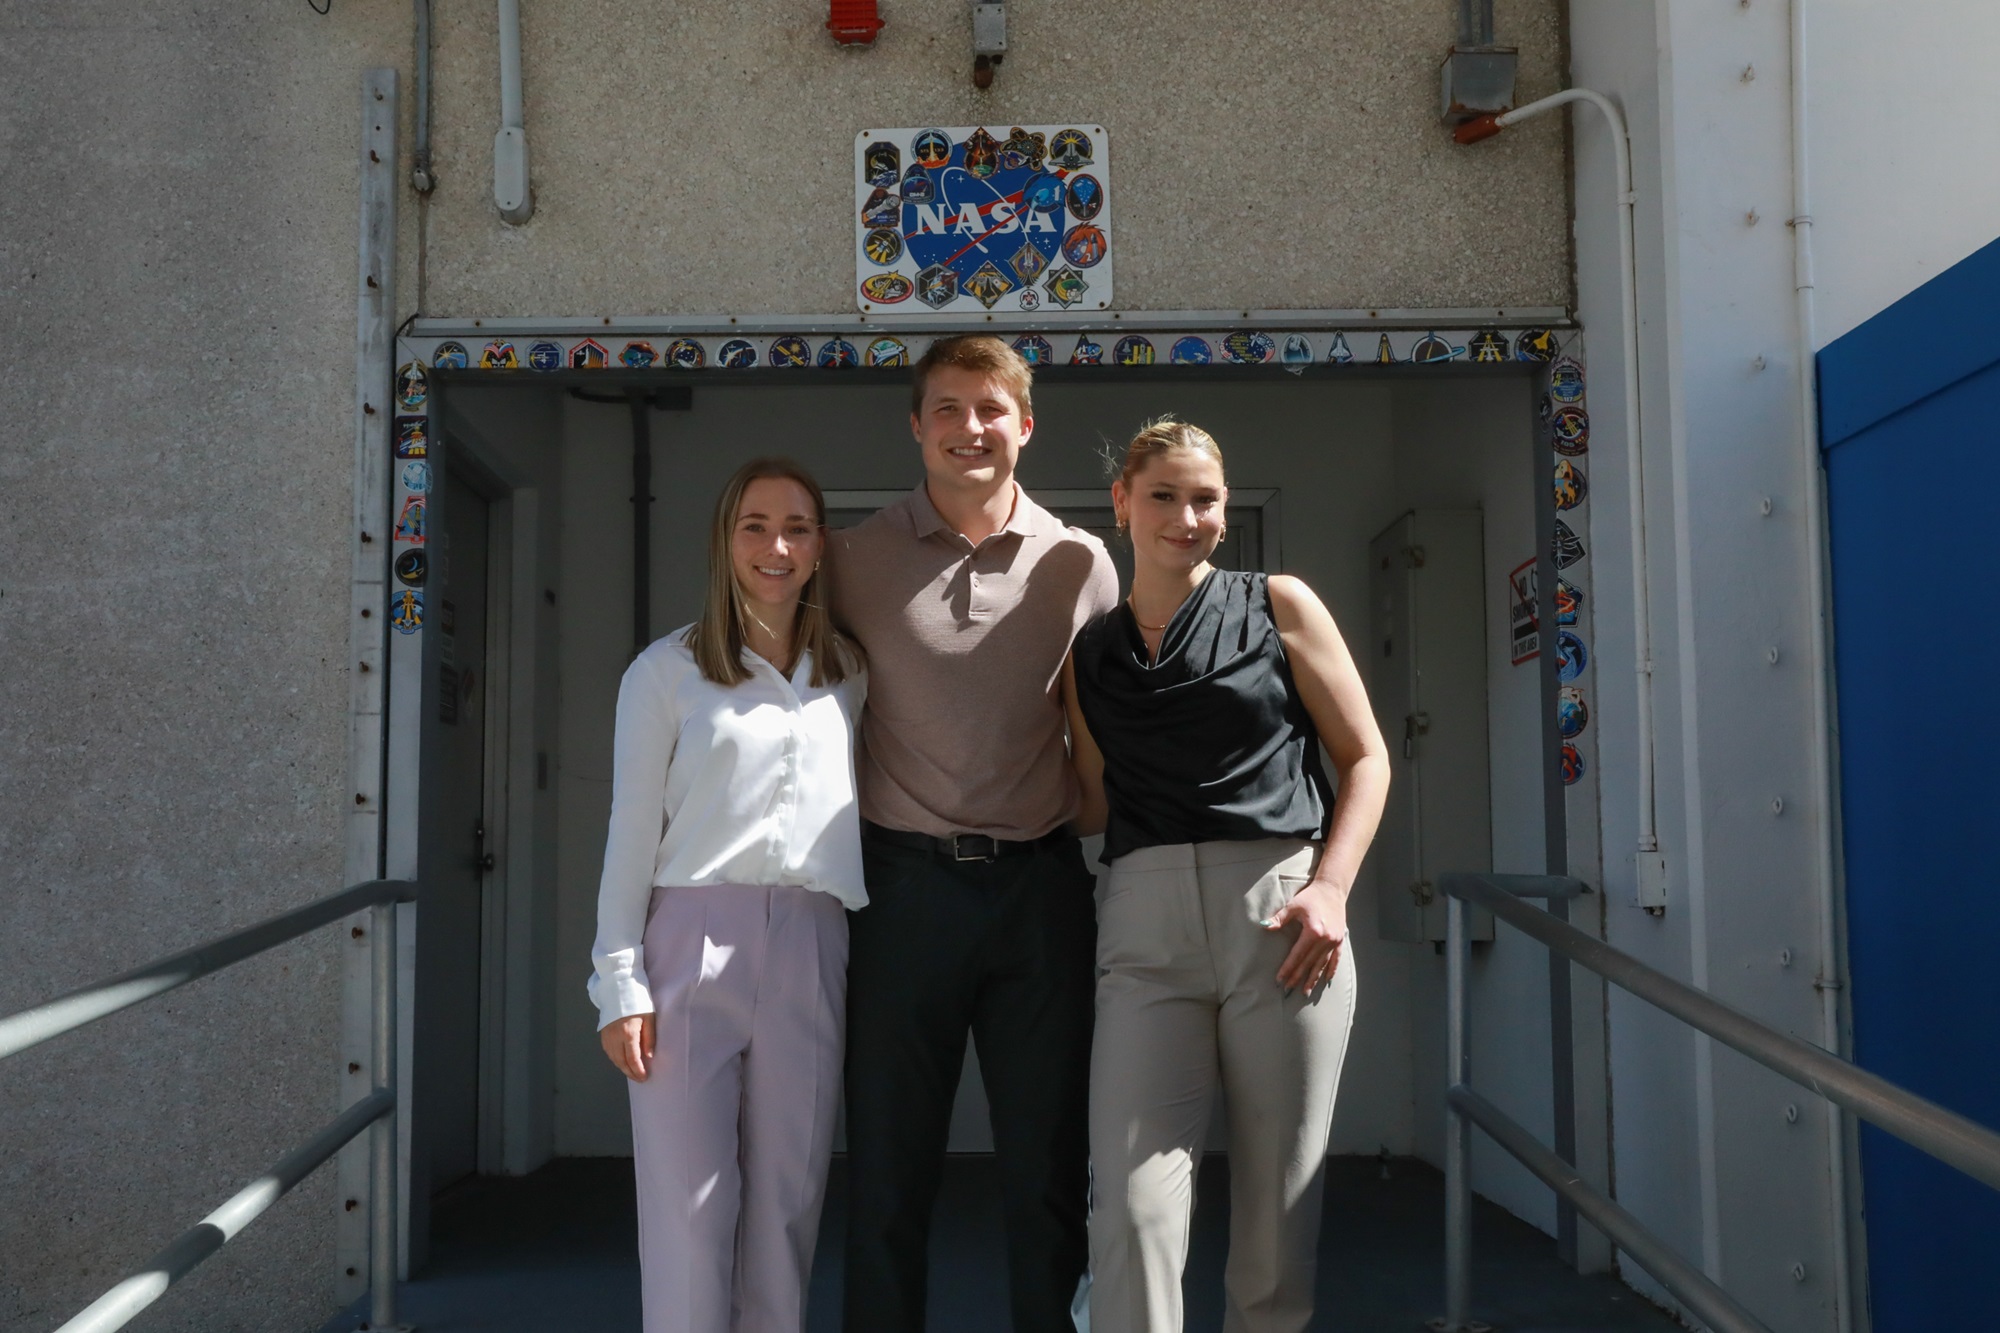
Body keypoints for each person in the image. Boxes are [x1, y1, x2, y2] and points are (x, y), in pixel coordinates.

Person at [1063, 417, 1391, 1333]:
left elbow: (1366, 757)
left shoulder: (1278, 602)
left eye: (1204, 498)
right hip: (1143, 923)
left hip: (1280, 916)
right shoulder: (1090, 652)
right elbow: (1088, 799)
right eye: (1162, 495)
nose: (1186, 515)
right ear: (1122, 502)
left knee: (1278, 1218)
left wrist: (1329, 887)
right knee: (1131, 1210)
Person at [827, 335, 1118, 1332]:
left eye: (990, 408)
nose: (969, 429)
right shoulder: (850, 559)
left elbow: (1110, 730)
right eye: (946, 409)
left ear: (1024, 425)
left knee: (1045, 1166)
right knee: (887, 1167)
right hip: (898, 891)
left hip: (1038, 895)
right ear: (915, 425)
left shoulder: (1080, 561)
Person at [587, 458, 867, 1333]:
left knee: (787, 1203)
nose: (776, 545)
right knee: (689, 1211)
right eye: (755, 525)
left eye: (797, 527)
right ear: (724, 539)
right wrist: (618, 980)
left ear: (822, 546)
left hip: (813, 943)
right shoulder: (665, 671)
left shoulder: (850, 672)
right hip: (691, 941)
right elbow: (630, 831)